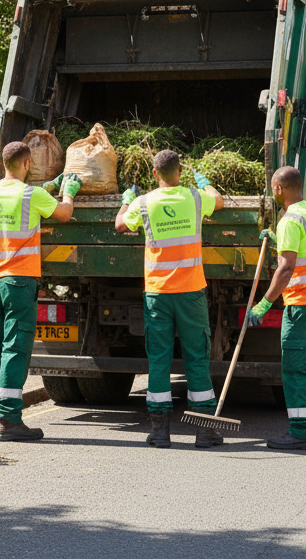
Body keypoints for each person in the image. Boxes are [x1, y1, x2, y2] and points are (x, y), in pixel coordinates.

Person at [114, 150, 223, 449]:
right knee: (197, 359)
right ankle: (204, 432)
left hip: (158, 294)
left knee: (158, 360)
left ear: (154, 174)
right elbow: (220, 201)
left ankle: (160, 432)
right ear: (180, 172)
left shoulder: (143, 202)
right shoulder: (195, 197)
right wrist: (205, 183)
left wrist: (126, 200)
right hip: (190, 293)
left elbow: (120, 225)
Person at [0, 140, 78, 442]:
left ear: (3, 163)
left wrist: (46, 186)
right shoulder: (31, 195)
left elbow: (15, 205)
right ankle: (10, 419)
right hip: (19, 280)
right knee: (16, 348)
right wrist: (69, 192)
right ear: (26, 164)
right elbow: (62, 213)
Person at [247, 165, 306, 450]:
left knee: (297, 368)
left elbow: (286, 268)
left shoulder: (289, 220)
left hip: (304, 304)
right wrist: (277, 242)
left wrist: (263, 304)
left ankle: (300, 432)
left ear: (278, 188)